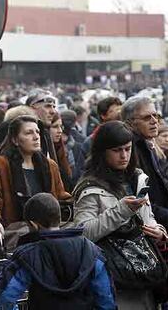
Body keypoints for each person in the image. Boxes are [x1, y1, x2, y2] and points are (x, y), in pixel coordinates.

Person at [73, 121, 166, 309]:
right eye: (117, 150)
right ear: (103, 151)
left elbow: (149, 218)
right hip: (113, 280)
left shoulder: (138, 178)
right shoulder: (90, 187)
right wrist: (121, 211)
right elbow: (83, 233)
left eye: (127, 149)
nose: (124, 155)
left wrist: (160, 233)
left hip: (145, 275)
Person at [0, 193, 116, 310]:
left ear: (33, 225)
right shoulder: (91, 251)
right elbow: (106, 298)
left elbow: (6, 296)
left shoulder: (28, 255)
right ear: (59, 217)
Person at [0, 115, 71, 243]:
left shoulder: (50, 166)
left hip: (48, 234)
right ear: (15, 140)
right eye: (28, 133)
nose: (36, 136)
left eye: (37, 132)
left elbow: (60, 195)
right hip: (15, 234)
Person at [121, 96, 168, 230]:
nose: (154, 121)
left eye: (156, 116)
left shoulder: (147, 144)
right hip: (147, 225)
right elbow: (138, 199)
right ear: (130, 123)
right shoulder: (129, 151)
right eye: (147, 118)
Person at [25, 88, 58, 162]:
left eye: (54, 107)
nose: (53, 111)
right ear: (32, 108)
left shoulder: (45, 133)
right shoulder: (18, 133)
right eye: (47, 106)